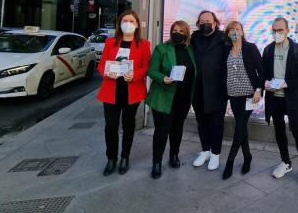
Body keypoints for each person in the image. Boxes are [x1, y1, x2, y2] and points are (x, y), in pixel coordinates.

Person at [97, 10, 151, 176]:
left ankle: (125, 157)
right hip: (111, 91)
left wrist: (134, 75)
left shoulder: (144, 44)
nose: (128, 23)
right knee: (111, 126)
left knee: (128, 125)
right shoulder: (110, 42)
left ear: (136, 25)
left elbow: (146, 67)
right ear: (120, 23)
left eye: (132, 21)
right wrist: (107, 72)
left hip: (132, 91)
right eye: (125, 20)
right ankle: (111, 158)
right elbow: (102, 65)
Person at [262, 17, 298, 186]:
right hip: (274, 98)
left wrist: (288, 83)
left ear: (287, 31)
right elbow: (263, 73)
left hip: (293, 98)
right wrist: (265, 83)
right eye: (274, 30)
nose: (277, 33)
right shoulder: (268, 50)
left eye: (280, 30)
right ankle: (286, 162)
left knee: (297, 132)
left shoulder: (297, 50)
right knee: (279, 132)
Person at [147, 21, 198, 179]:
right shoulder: (162, 48)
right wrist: (163, 78)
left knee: (177, 129)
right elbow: (151, 70)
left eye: (181, 31)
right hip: (163, 97)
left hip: (183, 99)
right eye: (175, 30)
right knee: (162, 131)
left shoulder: (190, 50)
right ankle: (156, 163)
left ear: (187, 33)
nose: (177, 33)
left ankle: (174, 156)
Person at [222, 21, 263, 180]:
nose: (235, 32)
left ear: (242, 32)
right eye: (231, 29)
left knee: (239, 124)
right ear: (227, 33)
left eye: (237, 29)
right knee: (241, 126)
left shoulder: (250, 48)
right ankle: (247, 156)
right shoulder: (226, 49)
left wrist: (258, 90)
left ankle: (230, 162)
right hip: (233, 94)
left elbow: (261, 70)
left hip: (249, 95)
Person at [191, 10, 228, 171]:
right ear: (199, 23)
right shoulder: (194, 37)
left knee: (216, 124)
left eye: (208, 20)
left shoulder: (223, 38)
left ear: (215, 22)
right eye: (202, 21)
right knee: (201, 122)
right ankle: (205, 150)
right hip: (198, 89)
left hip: (217, 89)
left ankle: (215, 154)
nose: (205, 23)